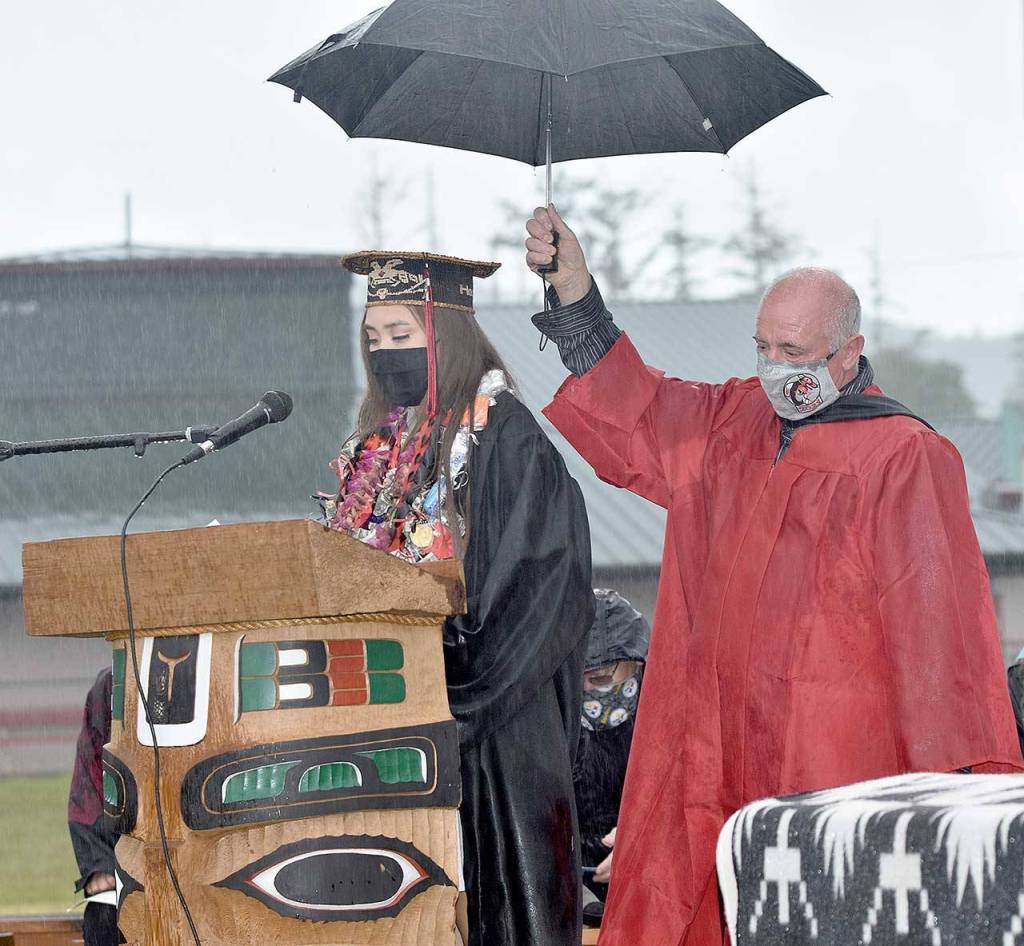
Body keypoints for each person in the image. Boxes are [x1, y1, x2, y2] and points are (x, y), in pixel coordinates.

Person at [522, 206, 1024, 946]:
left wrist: (943, 800)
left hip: (832, 767)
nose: (774, 368)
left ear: (848, 354)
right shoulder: (733, 424)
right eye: (762, 346)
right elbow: (643, 410)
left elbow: (938, 645)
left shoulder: (903, 456)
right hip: (713, 749)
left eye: (793, 350)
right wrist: (575, 296)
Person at [317, 251, 594, 946]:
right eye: (373, 341)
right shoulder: (379, 454)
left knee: (499, 905)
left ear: (447, 336)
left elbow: (535, 591)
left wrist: (451, 690)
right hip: (403, 714)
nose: (386, 357)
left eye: (402, 338)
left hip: (498, 723)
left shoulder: (505, 438)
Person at [573, 589, 650, 925]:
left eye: (601, 679)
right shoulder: (556, 731)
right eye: (579, 679)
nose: (589, 690)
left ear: (636, 666)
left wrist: (645, 844)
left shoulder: (669, 728)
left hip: (653, 906)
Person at [68, 667, 123, 946]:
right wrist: (100, 864)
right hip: (120, 848)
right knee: (105, 916)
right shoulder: (111, 685)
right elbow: (87, 788)